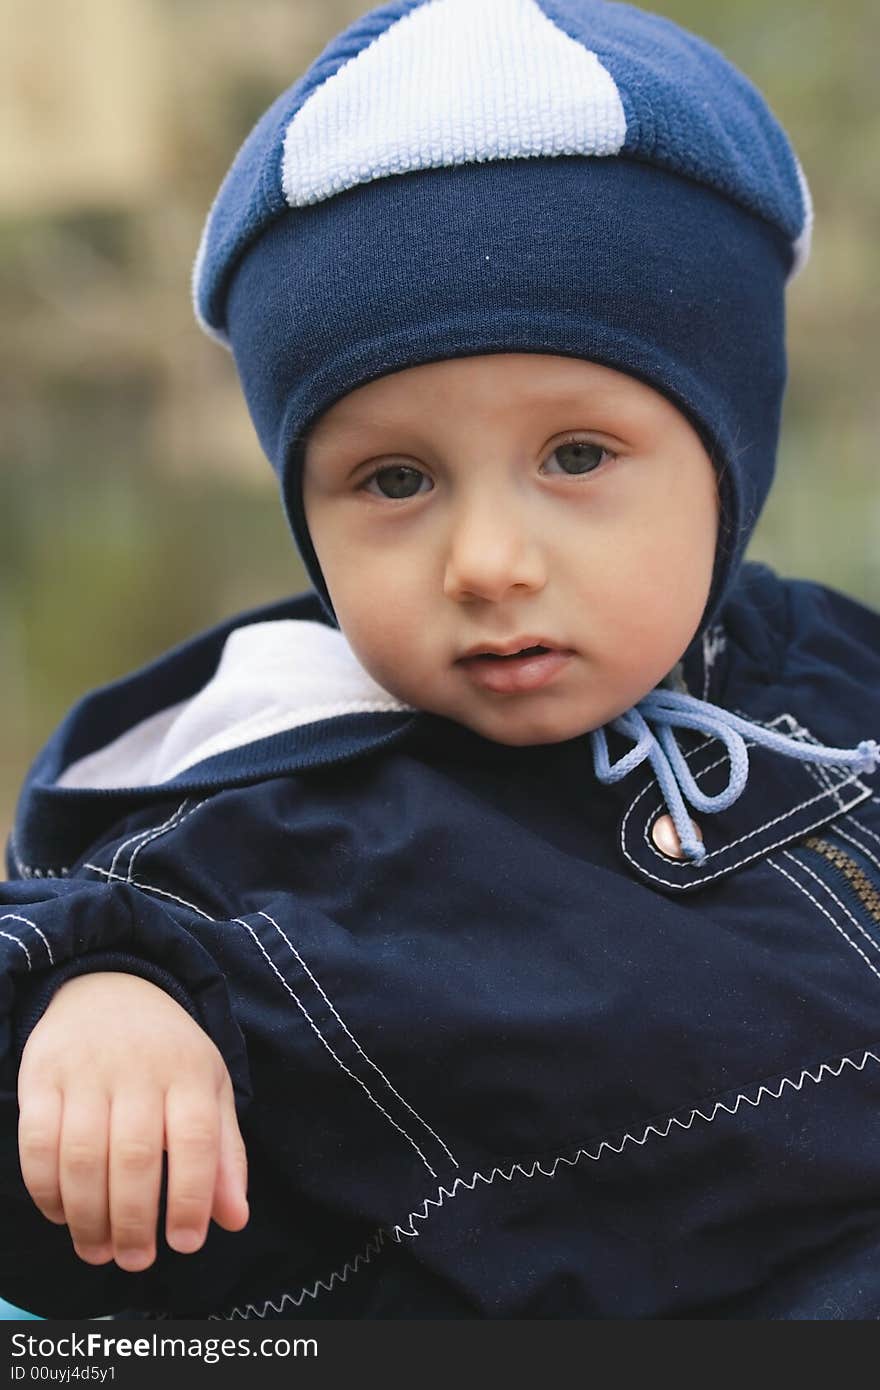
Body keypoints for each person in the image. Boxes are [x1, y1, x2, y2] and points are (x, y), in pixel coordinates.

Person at [2, 0, 880, 1320]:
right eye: (394, 478)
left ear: (727, 460)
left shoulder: (826, 670)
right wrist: (96, 1008)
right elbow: (81, 930)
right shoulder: (258, 831)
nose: (486, 560)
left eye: (576, 456)